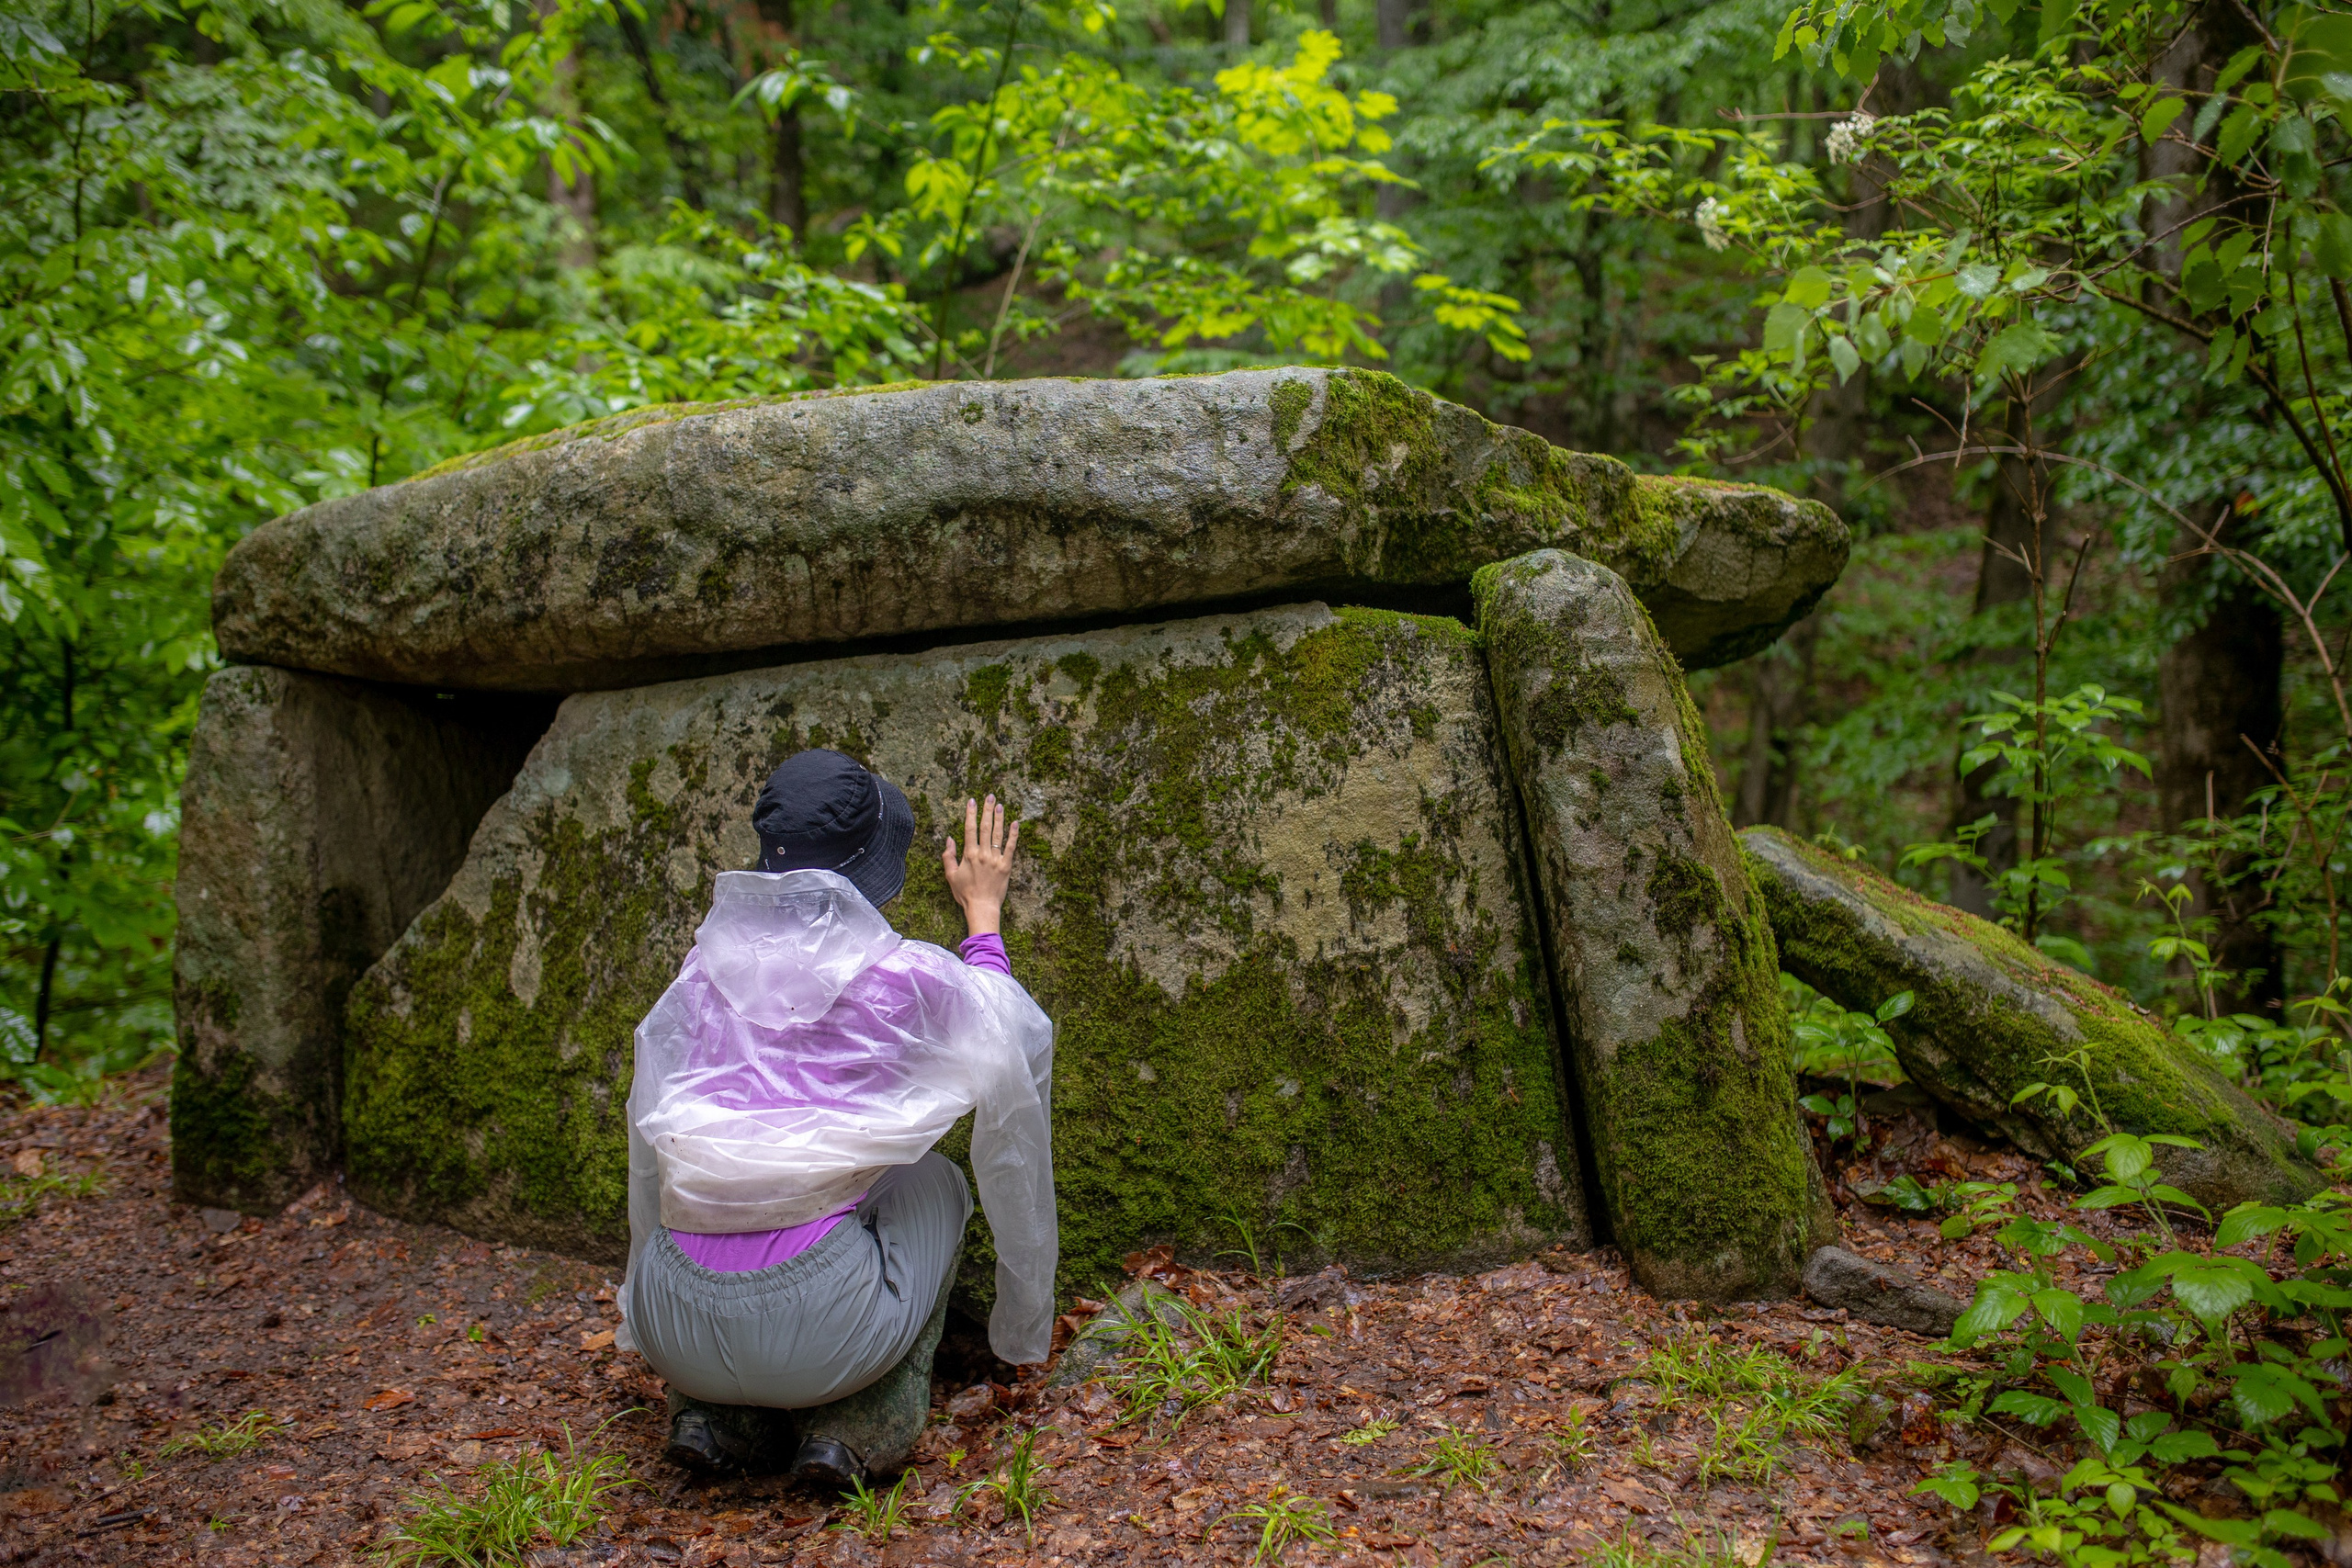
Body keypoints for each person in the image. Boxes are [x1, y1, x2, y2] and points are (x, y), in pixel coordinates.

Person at [616, 749, 1057, 1487]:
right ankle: (859, 1426)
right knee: (936, 1180)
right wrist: (983, 915)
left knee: (721, 1190)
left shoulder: (701, 973)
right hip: (819, 1324)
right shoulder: (896, 975)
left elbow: (650, 1141)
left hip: (670, 1311)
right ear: (869, 863)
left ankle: (711, 1413)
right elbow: (1010, 1033)